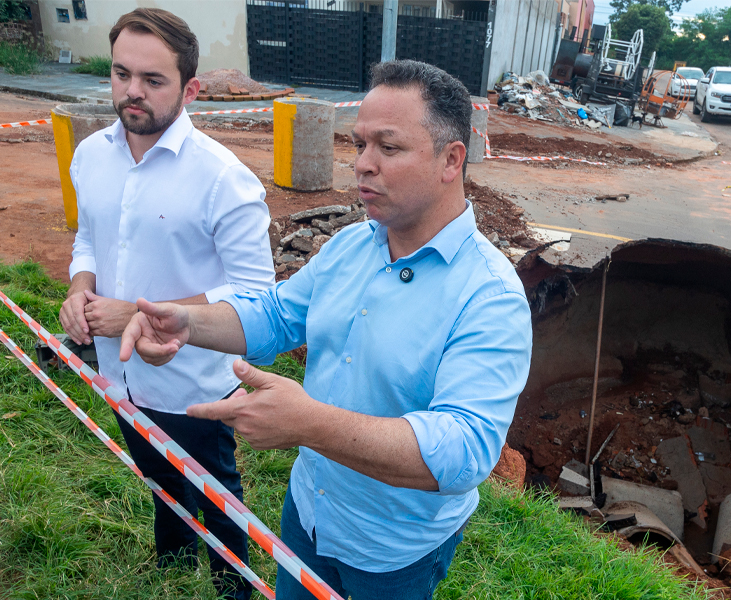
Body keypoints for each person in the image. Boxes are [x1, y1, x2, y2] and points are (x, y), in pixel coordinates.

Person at [119, 60, 533, 600]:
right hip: (309, 512)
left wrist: (309, 423)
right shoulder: (351, 246)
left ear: (451, 159)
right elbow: (277, 316)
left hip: (393, 552)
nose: (362, 165)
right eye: (359, 144)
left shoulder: (490, 296)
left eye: (388, 147)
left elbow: (465, 451)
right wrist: (186, 321)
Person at [59, 8, 274, 599]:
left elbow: (257, 295)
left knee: (214, 488)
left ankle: (235, 582)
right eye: (122, 73)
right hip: (118, 373)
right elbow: (88, 239)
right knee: (155, 475)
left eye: (153, 80)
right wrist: (81, 287)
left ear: (191, 88)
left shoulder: (223, 179)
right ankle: (174, 561)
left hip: (193, 383)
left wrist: (136, 311)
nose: (132, 91)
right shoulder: (90, 156)